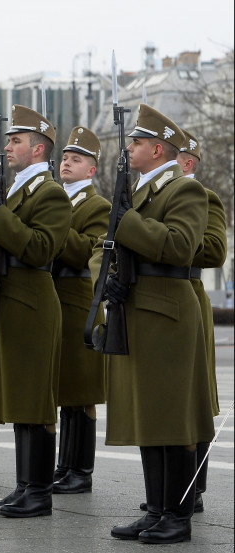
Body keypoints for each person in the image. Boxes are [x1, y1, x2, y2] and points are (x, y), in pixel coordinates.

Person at [99, 106, 213, 544]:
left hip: (168, 312)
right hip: (138, 309)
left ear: (158, 148)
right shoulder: (140, 192)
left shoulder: (185, 189)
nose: (129, 149)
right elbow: (105, 245)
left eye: (136, 143)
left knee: (174, 418)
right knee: (150, 416)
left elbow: (181, 246)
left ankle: (178, 517)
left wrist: (126, 221)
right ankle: (157, 510)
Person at [0, 105, 70, 518]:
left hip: (32, 302)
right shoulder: (13, 191)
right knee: (16, 397)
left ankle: (39, 493)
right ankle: (24, 485)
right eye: (9, 140)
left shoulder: (50, 192)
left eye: (16, 141)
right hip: (8, 299)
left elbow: (39, 248)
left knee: (35, 400)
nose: (8, 146)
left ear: (39, 149)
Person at [51, 127, 110, 495]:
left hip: (79, 300)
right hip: (55, 299)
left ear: (91, 171)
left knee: (80, 391)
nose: (66, 163)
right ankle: (63, 466)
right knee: (62, 389)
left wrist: (54, 227)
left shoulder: (97, 206)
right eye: (65, 158)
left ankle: (81, 470)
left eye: (76, 160)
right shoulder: (54, 199)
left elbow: (88, 251)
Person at [175, 128, 226, 514]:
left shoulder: (205, 197)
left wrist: (173, 239)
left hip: (189, 290)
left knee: (196, 397)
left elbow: (215, 250)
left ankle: (195, 487)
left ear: (187, 162)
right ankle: (173, 488)